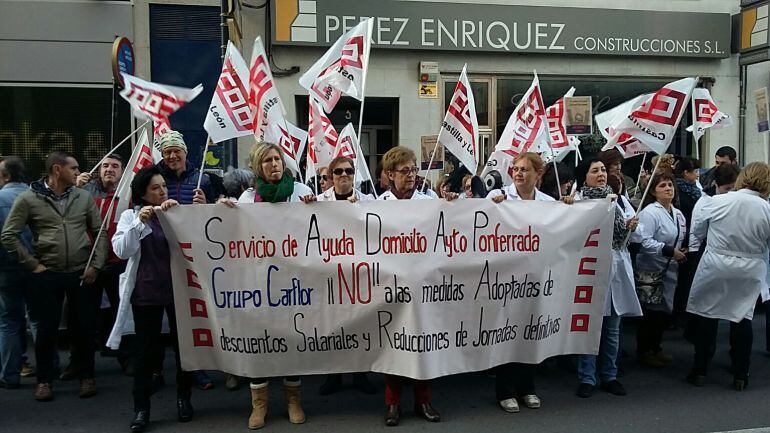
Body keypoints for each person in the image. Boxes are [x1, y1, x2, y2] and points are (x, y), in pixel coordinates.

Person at [219, 142, 313, 429]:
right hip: (259, 282)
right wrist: (223, 211)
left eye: (278, 159)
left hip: (294, 281)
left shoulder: (299, 192)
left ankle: (293, 400)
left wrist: (316, 208)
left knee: (292, 339)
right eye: (268, 160)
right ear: (258, 167)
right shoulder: (248, 198)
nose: (274, 164)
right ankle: (258, 404)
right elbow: (234, 233)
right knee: (259, 342)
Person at [1, 150, 107, 402]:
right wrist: (32, 264)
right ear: (57, 170)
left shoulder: (83, 197)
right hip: (47, 273)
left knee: (83, 328)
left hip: (81, 273)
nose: (78, 173)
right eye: (74, 168)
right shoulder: (29, 199)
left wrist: (96, 264)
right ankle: (44, 381)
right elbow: (8, 235)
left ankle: (86, 376)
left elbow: (99, 232)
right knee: (46, 331)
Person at [106, 166, 193, 432]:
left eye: (164, 186)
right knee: (145, 354)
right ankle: (141, 409)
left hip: (177, 293)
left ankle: (184, 399)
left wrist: (184, 213)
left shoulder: (174, 213)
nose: (162, 191)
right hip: (146, 295)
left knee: (183, 350)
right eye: (155, 188)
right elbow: (122, 250)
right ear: (142, 194)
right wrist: (139, 223)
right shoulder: (130, 217)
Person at [377, 146, 452, 426]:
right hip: (391, 285)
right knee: (393, 346)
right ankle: (392, 404)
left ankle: (423, 400)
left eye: (413, 170)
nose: (411, 176)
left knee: (421, 344)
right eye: (404, 171)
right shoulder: (377, 204)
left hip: (423, 286)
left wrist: (452, 204)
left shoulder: (429, 199)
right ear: (389, 174)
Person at [686, 162, 770, 390]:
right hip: (750, 265)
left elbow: (698, 230)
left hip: (716, 261)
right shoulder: (766, 208)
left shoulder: (718, 201)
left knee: (707, 314)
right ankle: (741, 373)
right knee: (742, 318)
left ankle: (700, 369)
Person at [486, 152, 558, 413]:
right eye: (515, 169)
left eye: (525, 169)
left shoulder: (549, 203)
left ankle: (527, 388)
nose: (518, 173)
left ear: (538, 174)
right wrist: (491, 208)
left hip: (536, 281)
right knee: (507, 334)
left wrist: (571, 207)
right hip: (506, 281)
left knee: (530, 333)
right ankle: (505, 391)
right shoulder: (498, 198)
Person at [573, 157, 641, 399]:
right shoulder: (578, 201)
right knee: (589, 326)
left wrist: (632, 225)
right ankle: (587, 378)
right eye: (595, 171)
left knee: (612, 327)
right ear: (585, 176)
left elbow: (634, 233)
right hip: (590, 266)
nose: (601, 174)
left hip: (616, 266)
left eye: (603, 170)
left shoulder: (618, 200)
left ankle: (610, 375)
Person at [315, 156, 376, 395]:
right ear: (330, 177)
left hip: (359, 274)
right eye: (338, 171)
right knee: (333, 325)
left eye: (349, 171)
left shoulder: (369, 201)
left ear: (354, 174)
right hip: (330, 273)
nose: (344, 175)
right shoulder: (319, 202)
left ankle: (360, 374)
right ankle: (334, 375)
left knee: (359, 324)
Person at [76, 154, 132, 370]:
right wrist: (75, 187)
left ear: (123, 170)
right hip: (89, 262)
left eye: (115, 166)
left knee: (123, 313)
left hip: (118, 262)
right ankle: (82, 364)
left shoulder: (129, 193)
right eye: (105, 165)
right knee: (85, 317)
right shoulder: (84, 192)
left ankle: (127, 357)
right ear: (98, 170)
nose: (109, 169)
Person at [635, 171, 687, 368]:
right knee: (651, 312)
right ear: (654, 191)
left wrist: (681, 249)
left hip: (670, 269)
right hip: (651, 268)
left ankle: (656, 347)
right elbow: (643, 241)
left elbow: (680, 236)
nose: (668, 189)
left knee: (664, 312)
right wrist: (668, 251)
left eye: (670, 185)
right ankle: (644, 350)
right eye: (663, 185)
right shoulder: (650, 213)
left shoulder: (678, 213)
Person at [0, 156, 34, 390]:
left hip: (6, 269)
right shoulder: (39, 195)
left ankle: (10, 375)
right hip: (38, 266)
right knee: (40, 320)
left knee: (9, 321)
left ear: (6, 176)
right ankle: (49, 370)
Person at [673, 157, 702, 317]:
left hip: (692, 237)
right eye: (695, 171)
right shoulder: (679, 191)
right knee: (680, 280)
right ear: (686, 173)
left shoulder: (695, 189)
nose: (697, 175)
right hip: (682, 238)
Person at [156, 131, 213, 205]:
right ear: (162, 155)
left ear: (185, 152)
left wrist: (205, 205)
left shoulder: (202, 180)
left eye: (177, 151)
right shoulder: (154, 179)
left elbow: (213, 212)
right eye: (168, 152)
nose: (172, 156)